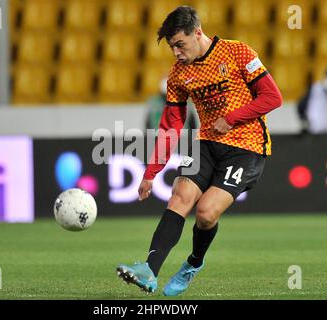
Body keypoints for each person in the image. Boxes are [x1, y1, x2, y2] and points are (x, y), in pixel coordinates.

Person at [116, 6, 282, 296]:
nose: (176, 52)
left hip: (247, 146)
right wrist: (151, 172)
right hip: (205, 143)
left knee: (205, 213)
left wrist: (231, 119)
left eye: (180, 44)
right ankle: (149, 270)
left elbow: (272, 96)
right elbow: (170, 126)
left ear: (197, 32)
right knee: (180, 196)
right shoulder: (179, 74)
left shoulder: (238, 53)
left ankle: (194, 262)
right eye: (172, 47)